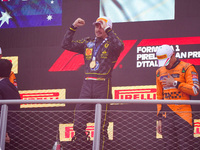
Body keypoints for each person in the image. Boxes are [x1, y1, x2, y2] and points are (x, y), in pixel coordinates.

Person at [61, 16, 124, 149]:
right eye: (96, 26)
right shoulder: (88, 43)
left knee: (101, 127)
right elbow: (66, 44)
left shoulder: (112, 45)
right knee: (78, 124)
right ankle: (84, 146)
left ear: (108, 27)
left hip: (103, 85)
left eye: (101, 26)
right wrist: (73, 27)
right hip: (87, 86)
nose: (98, 29)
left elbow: (120, 46)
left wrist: (108, 29)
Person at [156, 44, 200, 150]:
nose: (165, 65)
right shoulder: (159, 72)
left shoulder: (187, 67)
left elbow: (195, 90)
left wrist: (175, 83)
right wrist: (159, 119)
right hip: (167, 117)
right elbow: (159, 96)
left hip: (184, 116)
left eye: (166, 61)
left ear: (173, 55)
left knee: (186, 147)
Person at [0, 59, 21, 145]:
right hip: (13, 130)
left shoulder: (1, 86)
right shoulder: (12, 87)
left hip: (4, 132)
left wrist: (3, 131)